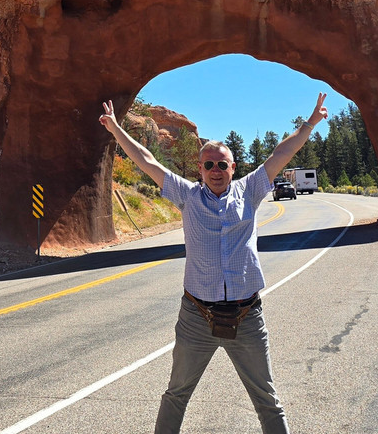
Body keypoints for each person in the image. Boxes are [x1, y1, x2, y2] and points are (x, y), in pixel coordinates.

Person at [98, 93, 329, 434]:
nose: (215, 171)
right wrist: (116, 130)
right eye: (209, 165)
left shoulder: (250, 190)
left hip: (246, 316)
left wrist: (309, 124)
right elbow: (147, 161)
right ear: (200, 170)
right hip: (196, 317)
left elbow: (282, 153)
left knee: (267, 399)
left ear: (233, 168)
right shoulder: (187, 196)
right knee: (176, 395)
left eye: (222, 164)